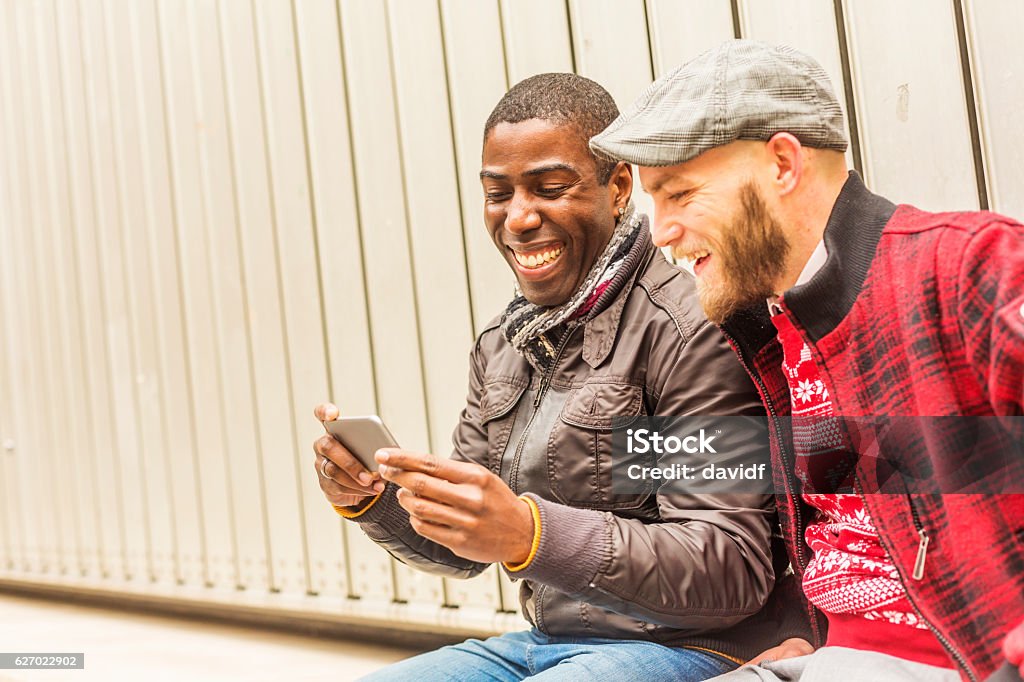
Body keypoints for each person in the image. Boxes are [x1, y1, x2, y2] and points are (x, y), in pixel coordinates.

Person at [312, 72, 810, 681]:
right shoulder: (506, 344)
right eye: (498, 193)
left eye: (550, 188)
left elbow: (727, 566)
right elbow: (464, 547)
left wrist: (531, 533)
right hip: (548, 643)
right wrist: (373, 501)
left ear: (619, 185)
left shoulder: (687, 330)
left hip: (699, 646)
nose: (518, 218)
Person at [590, 39, 1024, 682]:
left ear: (784, 164)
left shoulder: (969, 266)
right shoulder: (768, 327)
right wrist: (816, 641)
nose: (659, 232)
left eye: (679, 193)